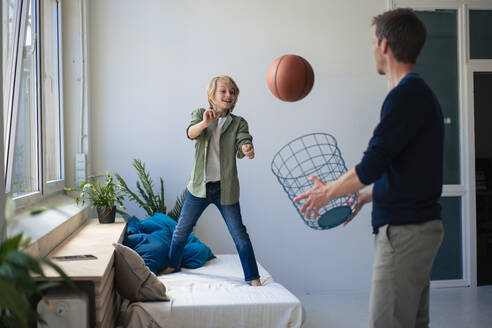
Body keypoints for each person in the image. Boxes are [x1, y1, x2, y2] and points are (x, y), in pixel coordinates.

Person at [294, 8, 444, 328]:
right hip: (418, 228)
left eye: (373, 42)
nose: (372, 49)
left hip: (404, 234)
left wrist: (327, 192)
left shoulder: (405, 96)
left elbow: (371, 164)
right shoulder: (417, 95)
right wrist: (366, 196)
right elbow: (411, 172)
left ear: (385, 45)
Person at [162, 75, 261, 286]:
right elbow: (191, 133)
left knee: (239, 234)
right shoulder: (200, 114)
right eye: (223, 91)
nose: (228, 95)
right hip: (199, 187)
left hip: (225, 189)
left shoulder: (238, 123)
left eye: (232, 92)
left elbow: (244, 139)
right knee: (181, 229)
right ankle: (173, 264)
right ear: (211, 95)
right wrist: (205, 123)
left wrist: (246, 148)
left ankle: (253, 276)